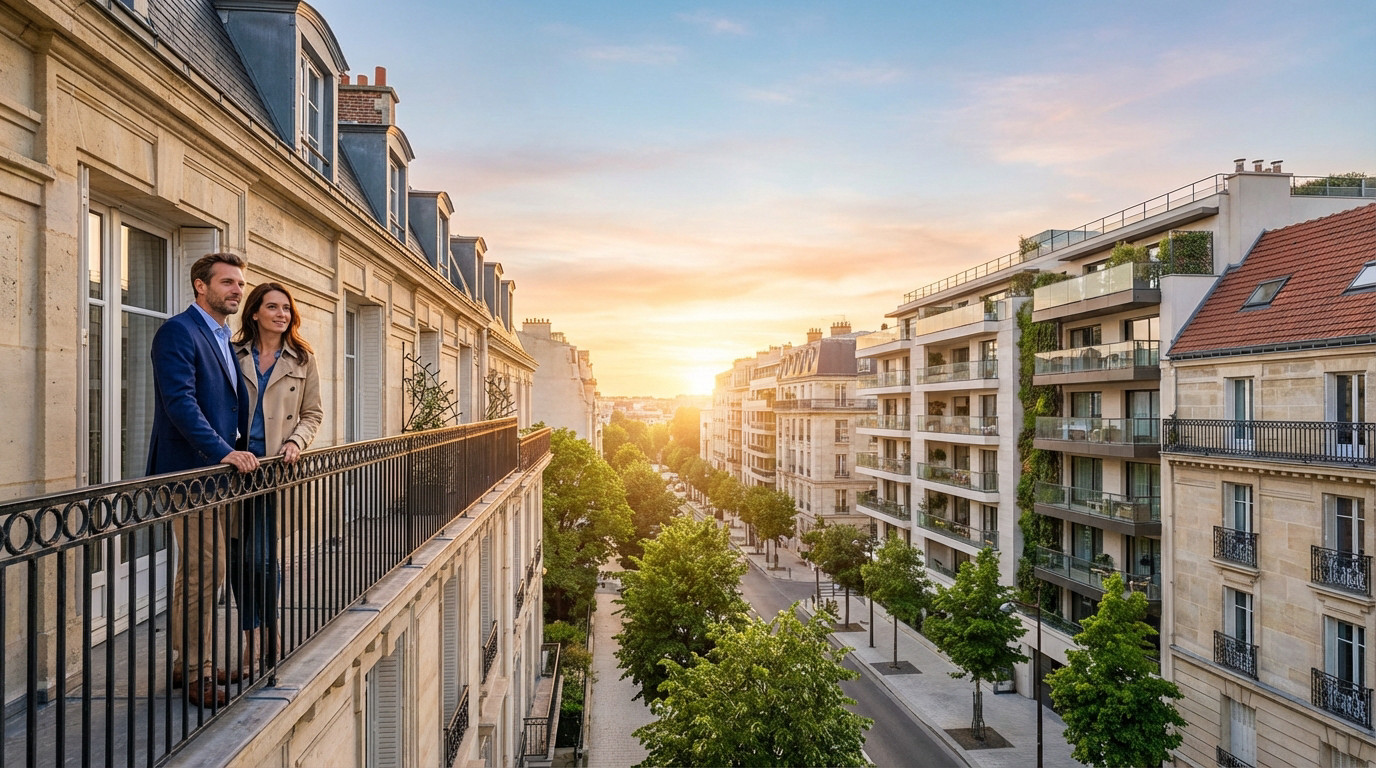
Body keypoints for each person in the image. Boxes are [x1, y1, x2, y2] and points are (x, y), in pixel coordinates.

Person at [148, 252, 260, 708]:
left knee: (195, 571)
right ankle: (198, 671)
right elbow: (180, 404)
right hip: (188, 474)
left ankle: (182, 663)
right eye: (228, 283)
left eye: (239, 283)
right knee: (207, 569)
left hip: (216, 476)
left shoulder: (222, 339)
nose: (237, 290)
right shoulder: (178, 331)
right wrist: (225, 451)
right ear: (201, 286)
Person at [230, 282, 322, 676]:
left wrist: (296, 442)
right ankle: (252, 640)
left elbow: (313, 413)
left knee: (261, 558)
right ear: (255, 313)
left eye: (286, 308)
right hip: (233, 471)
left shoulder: (303, 359)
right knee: (236, 560)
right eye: (272, 307)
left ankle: (270, 635)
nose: (282, 314)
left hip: (273, 472)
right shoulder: (232, 354)